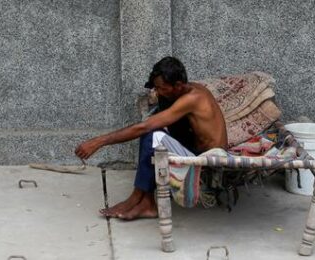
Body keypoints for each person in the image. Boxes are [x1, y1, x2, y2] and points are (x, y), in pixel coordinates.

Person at [74, 56, 228, 220]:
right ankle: (146, 203)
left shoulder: (192, 98)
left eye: (161, 88)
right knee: (155, 128)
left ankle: (137, 198)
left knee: (151, 135)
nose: (157, 92)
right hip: (197, 147)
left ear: (178, 85)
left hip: (209, 158)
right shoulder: (184, 91)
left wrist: (98, 142)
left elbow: (145, 126)